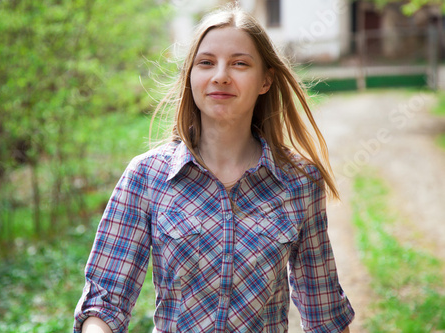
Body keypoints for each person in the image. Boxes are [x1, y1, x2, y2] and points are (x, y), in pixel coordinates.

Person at [74, 5, 354, 333]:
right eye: (206, 62)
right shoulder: (145, 177)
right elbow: (105, 303)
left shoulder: (299, 182)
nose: (220, 75)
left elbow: (324, 311)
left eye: (240, 63)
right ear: (190, 77)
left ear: (265, 80)